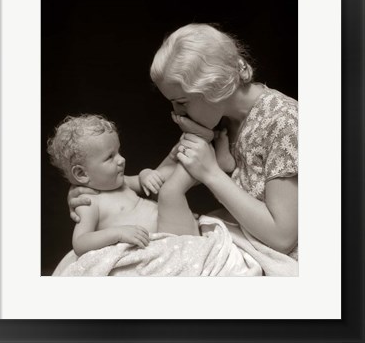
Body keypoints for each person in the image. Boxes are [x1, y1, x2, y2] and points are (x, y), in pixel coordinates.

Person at [68, 23, 298, 255]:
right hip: (238, 237)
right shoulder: (221, 119)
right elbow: (161, 181)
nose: (176, 113)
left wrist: (211, 173)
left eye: (181, 101)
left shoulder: (283, 121)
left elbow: (283, 238)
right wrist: (96, 192)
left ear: (213, 87)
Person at [48, 114, 204, 257]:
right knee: (170, 192)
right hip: (160, 244)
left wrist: (145, 174)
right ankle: (202, 153)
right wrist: (118, 233)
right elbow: (80, 242)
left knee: (161, 181)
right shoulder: (89, 202)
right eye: (110, 157)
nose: (121, 159)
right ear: (82, 174)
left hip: (171, 229)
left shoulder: (122, 182)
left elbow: (142, 183)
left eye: (118, 152)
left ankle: (199, 155)